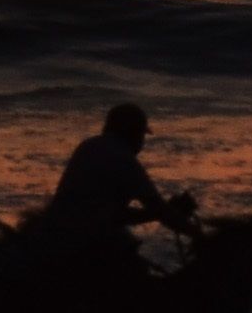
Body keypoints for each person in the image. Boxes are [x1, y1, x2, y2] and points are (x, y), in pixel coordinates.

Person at [22, 101, 198, 279]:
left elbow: (111, 214)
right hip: (87, 243)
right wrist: (197, 234)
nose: (142, 142)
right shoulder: (124, 159)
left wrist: (163, 212)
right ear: (134, 134)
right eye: (141, 135)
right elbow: (157, 208)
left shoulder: (88, 146)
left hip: (57, 235)